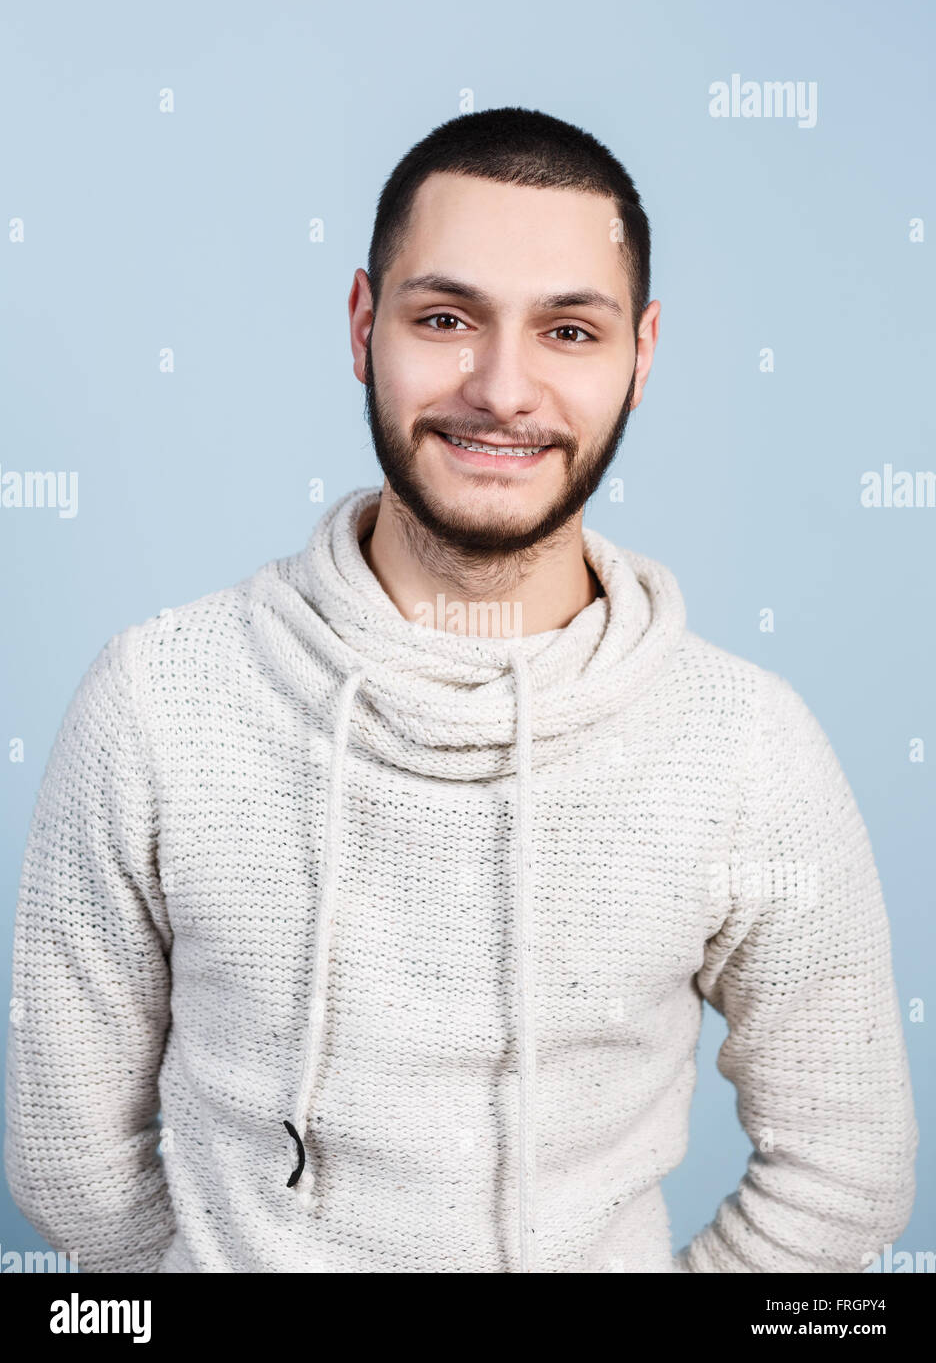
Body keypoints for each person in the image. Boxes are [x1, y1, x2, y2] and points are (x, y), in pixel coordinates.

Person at [4, 106, 918, 1274]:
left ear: (642, 356)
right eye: (445, 318)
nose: (501, 387)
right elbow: (69, 1160)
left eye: (568, 331)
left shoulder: (747, 747)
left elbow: (846, 1172)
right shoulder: (156, 701)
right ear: (360, 326)